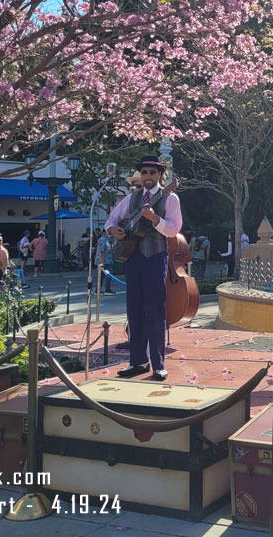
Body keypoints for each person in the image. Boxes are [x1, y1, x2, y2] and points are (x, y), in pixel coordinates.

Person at [104, 154, 182, 380]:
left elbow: (174, 229)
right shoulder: (131, 199)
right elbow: (111, 219)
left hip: (155, 257)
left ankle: (158, 364)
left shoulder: (170, 198)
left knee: (155, 311)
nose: (148, 176)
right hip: (132, 258)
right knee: (135, 311)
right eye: (145, 172)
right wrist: (113, 230)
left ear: (160, 175)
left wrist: (155, 219)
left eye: (153, 172)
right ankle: (138, 362)